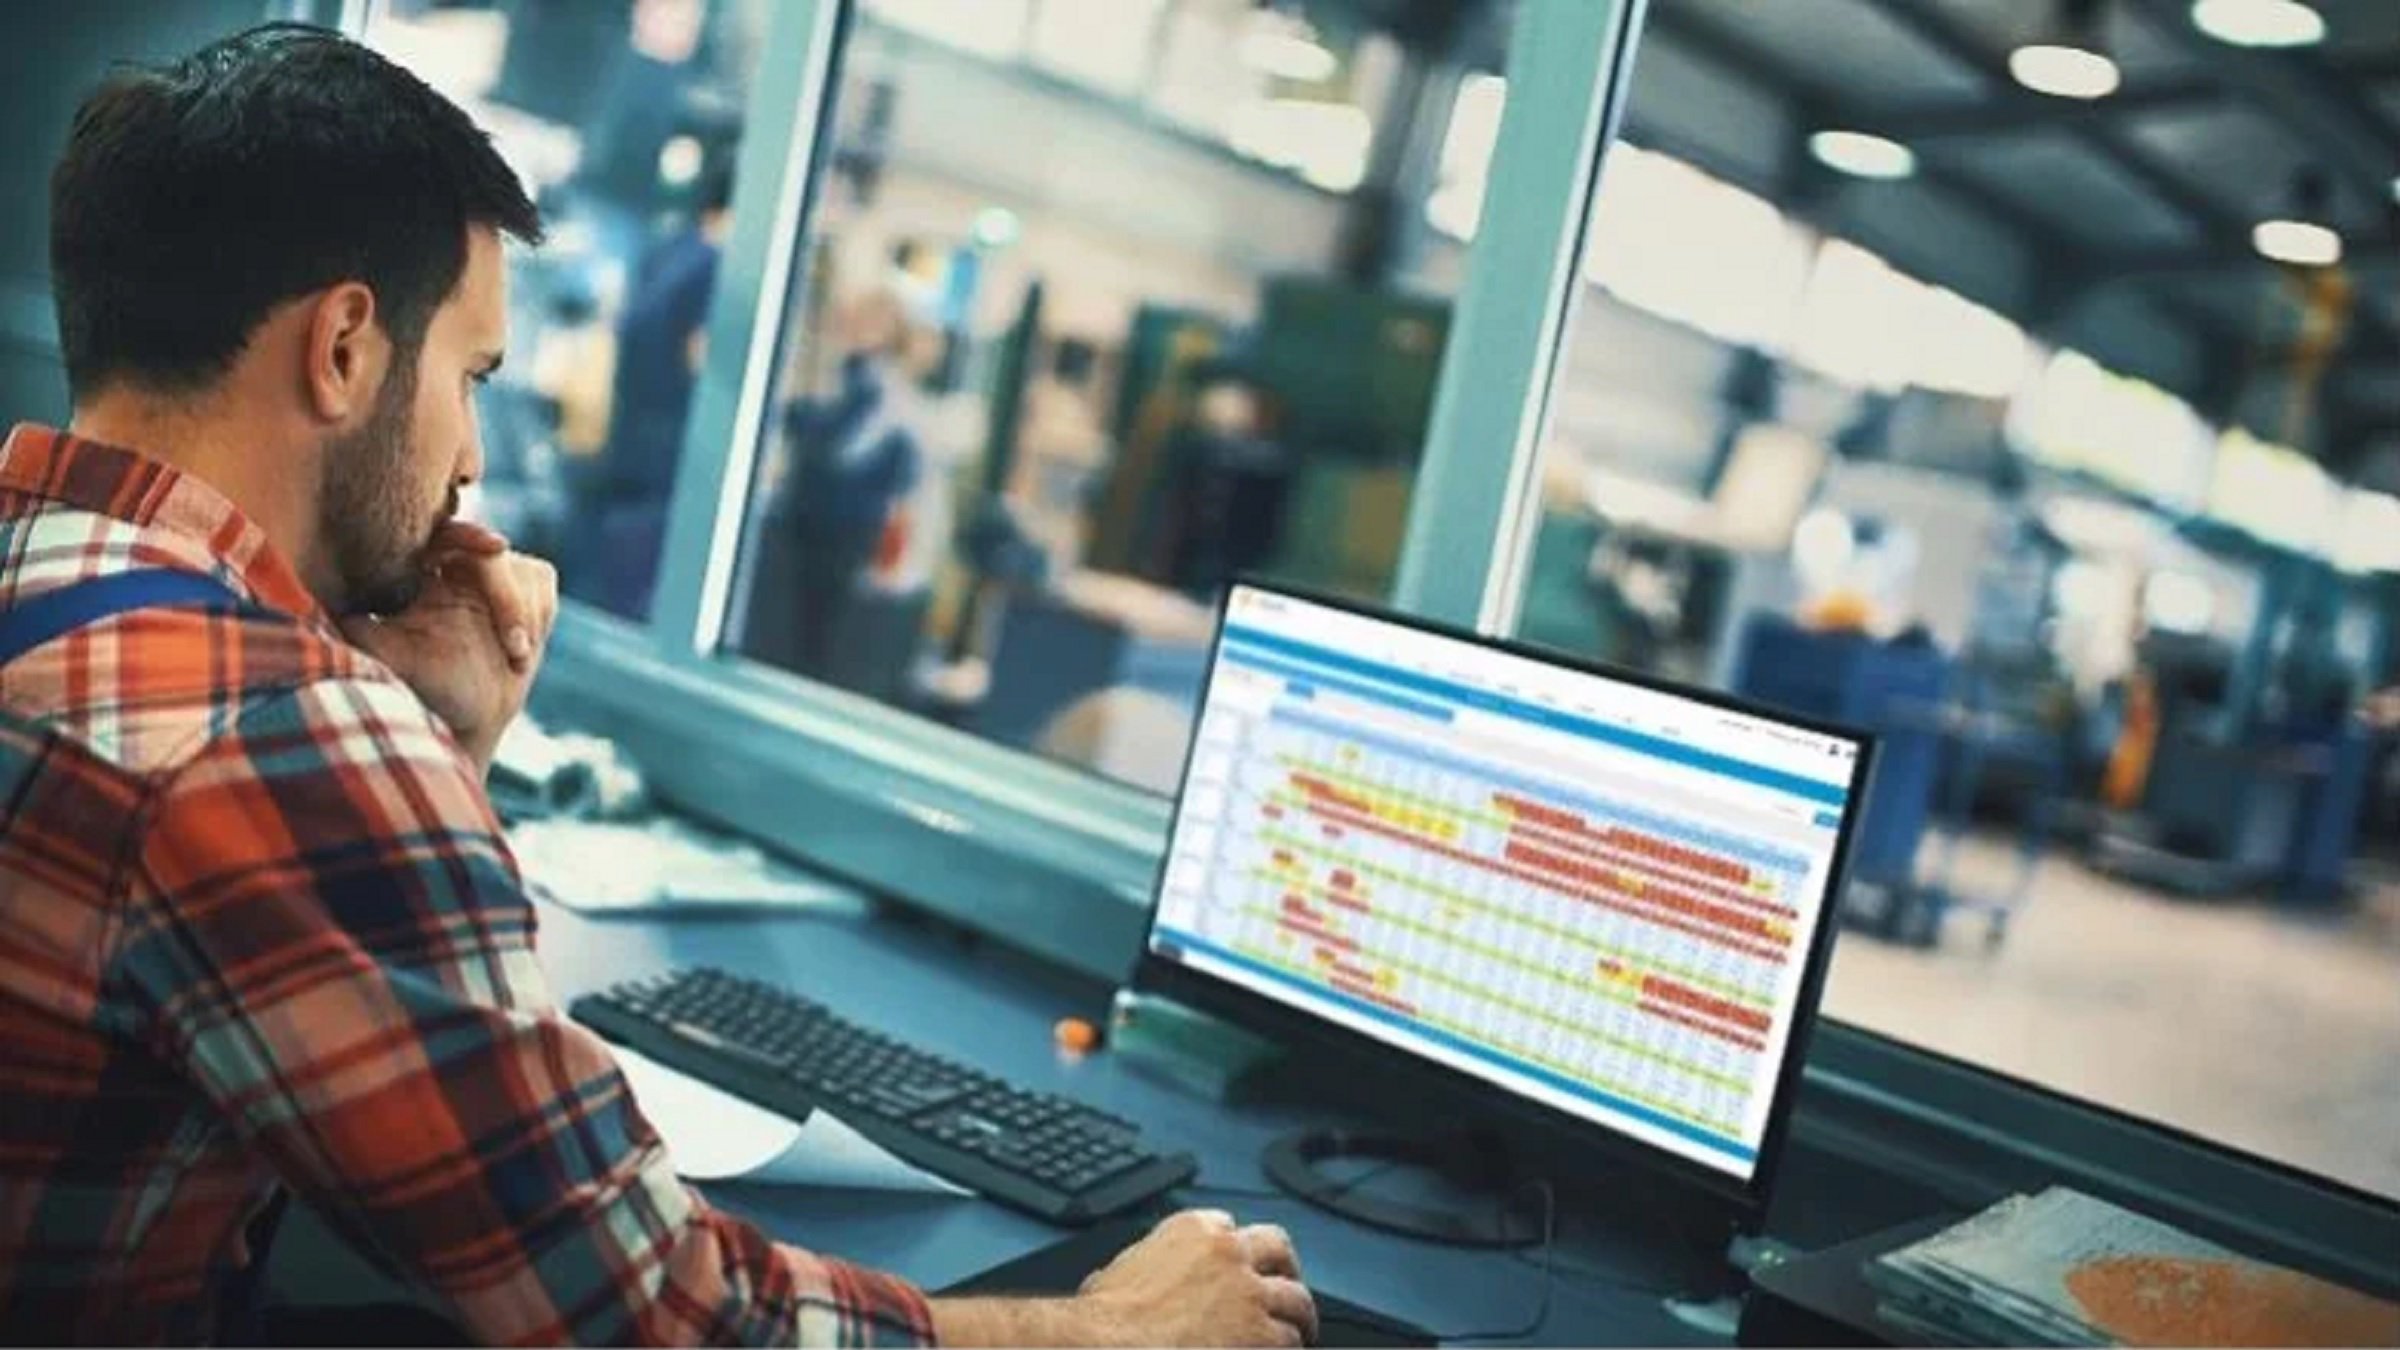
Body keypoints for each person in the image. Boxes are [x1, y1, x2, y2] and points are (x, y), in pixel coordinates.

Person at [0, 25, 1315, 1348]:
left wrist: (436, 750)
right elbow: (664, 1315)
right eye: (471, 377)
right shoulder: (274, 733)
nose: (468, 460)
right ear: (344, 347)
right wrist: (1108, 1330)